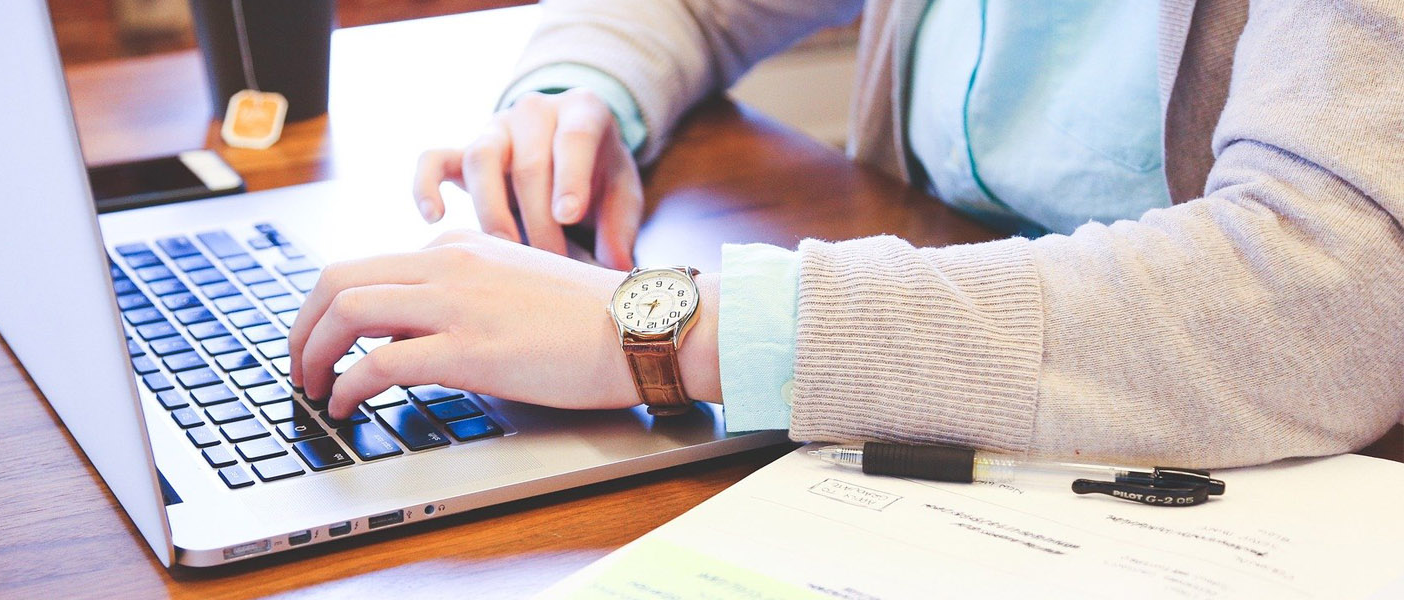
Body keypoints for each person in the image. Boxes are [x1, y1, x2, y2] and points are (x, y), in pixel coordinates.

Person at [288, 0, 1404, 468]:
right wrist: (577, 98)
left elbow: (1329, 292)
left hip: (1227, 467)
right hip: (937, 426)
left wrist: (668, 329)